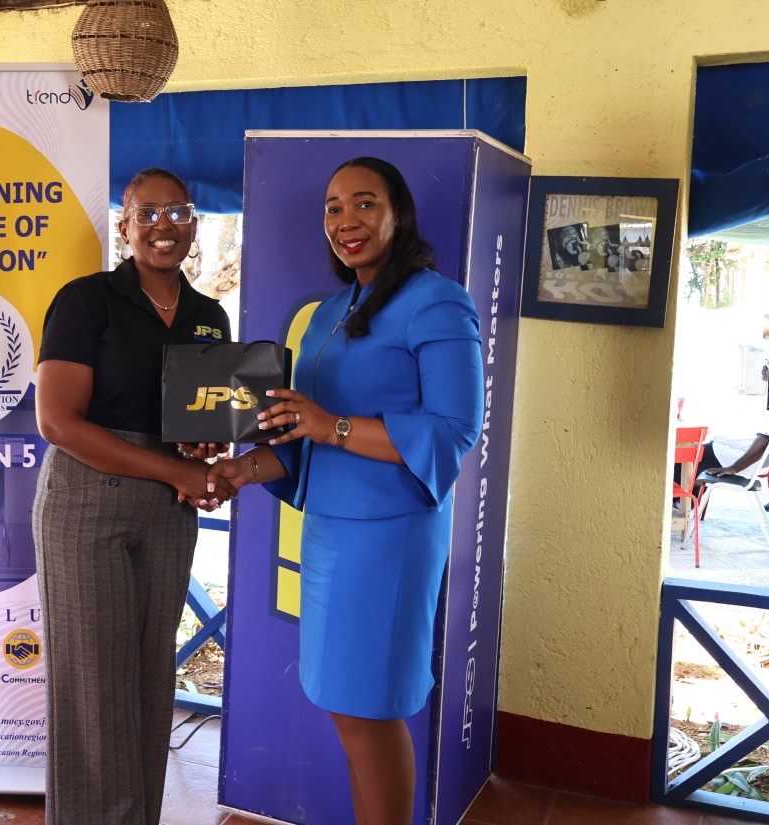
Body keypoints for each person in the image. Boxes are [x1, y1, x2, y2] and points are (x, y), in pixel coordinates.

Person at [204, 157, 483, 825]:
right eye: (333, 207)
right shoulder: (334, 311)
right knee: (348, 706)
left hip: (389, 537)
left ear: (398, 214)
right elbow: (306, 435)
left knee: (370, 712)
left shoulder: (437, 300)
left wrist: (334, 424)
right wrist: (241, 470)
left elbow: (455, 429)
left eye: (364, 202)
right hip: (330, 533)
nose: (346, 220)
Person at [31, 168, 233, 825]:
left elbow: (202, 422)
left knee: (147, 678)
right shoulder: (87, 300)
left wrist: (202, 452)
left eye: (177, 212)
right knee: (94, 683)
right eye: (147, 213)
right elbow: (59, 422)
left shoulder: (210, 317)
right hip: (87, 498)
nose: (162, 226)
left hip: (168, 513)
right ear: (125, 225)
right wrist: (173, 471)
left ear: (195, 223)